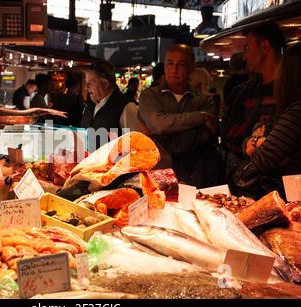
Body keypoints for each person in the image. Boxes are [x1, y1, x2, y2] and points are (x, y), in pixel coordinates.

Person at [138, 44, 222, 188]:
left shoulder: (205, 100)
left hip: (196, 175)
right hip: (159, 175)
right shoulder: (150, 95)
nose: (174, 69)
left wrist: (163, 129)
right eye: (170, 63)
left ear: (192, 67)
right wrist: (200, 117)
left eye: (181, 64)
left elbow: (201, 137)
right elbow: (159, 125)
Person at [232, 42, 301, 199]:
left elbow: (263, 158)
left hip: (292, 197)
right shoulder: (288, 109)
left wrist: (256, 142)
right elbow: (247, 142)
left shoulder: (297, 110)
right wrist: (257, 140)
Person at [221, 22, 285, 179]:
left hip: (284, 183)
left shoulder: (292, 91)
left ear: (264, 47)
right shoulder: (243, 92)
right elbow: (227, 137)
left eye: (248, 48)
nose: (244, 57)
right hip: (246, 181)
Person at [80, 61, 137, 143]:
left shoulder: (127, 107)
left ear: (105, 83)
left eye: (90, 83)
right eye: (86, 82)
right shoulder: (89, 105)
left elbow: (134, 144)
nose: (86, 87)